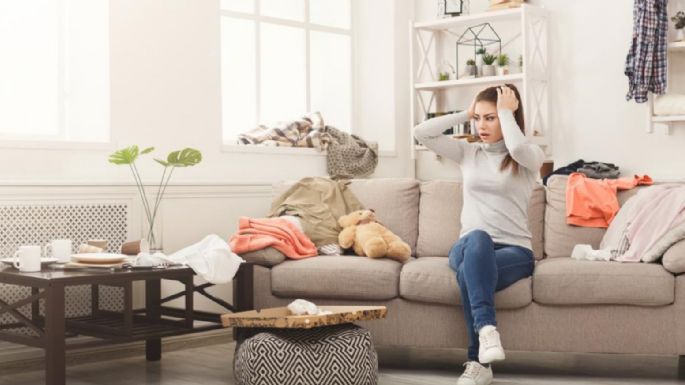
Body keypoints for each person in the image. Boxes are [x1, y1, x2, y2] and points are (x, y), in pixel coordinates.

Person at [413, 84, 544, 385]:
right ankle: (487, 331)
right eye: (478, 118)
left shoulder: (528, 158)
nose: (481, 126)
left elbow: (518, 148)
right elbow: (421, 132)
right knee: (478, 239)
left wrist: (506, 113)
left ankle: (477, 363)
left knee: (469, 276)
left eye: (491, 118)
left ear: (509, 118)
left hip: (515, 251)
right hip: (469, 244)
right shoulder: (467, 152)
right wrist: (464, 112)